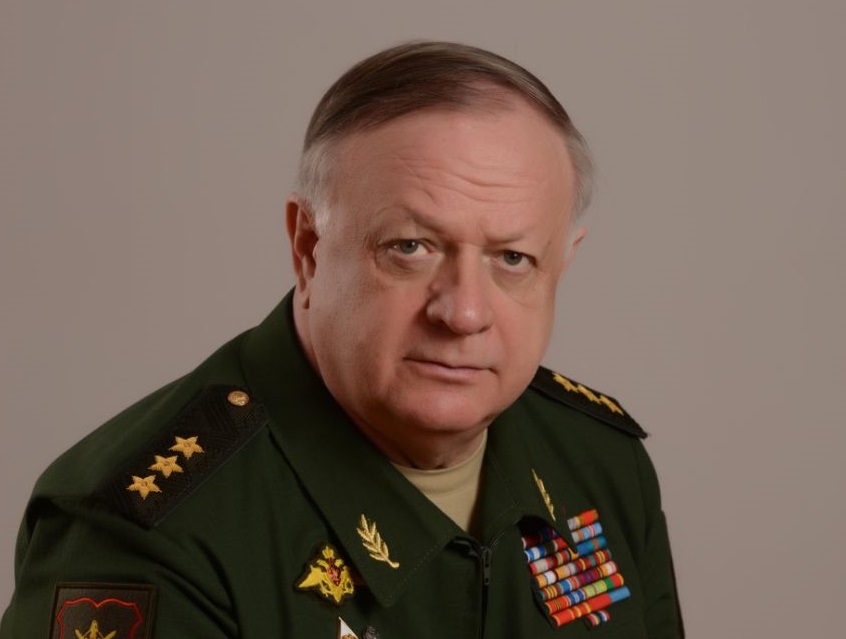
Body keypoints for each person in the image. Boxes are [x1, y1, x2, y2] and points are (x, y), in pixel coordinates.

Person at [0, 41, 683, 638]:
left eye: (512, 258)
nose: (464, 312)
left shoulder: (599, 463)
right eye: (410, 247)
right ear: (308, 247)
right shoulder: (145, 536)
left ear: (562, 263)